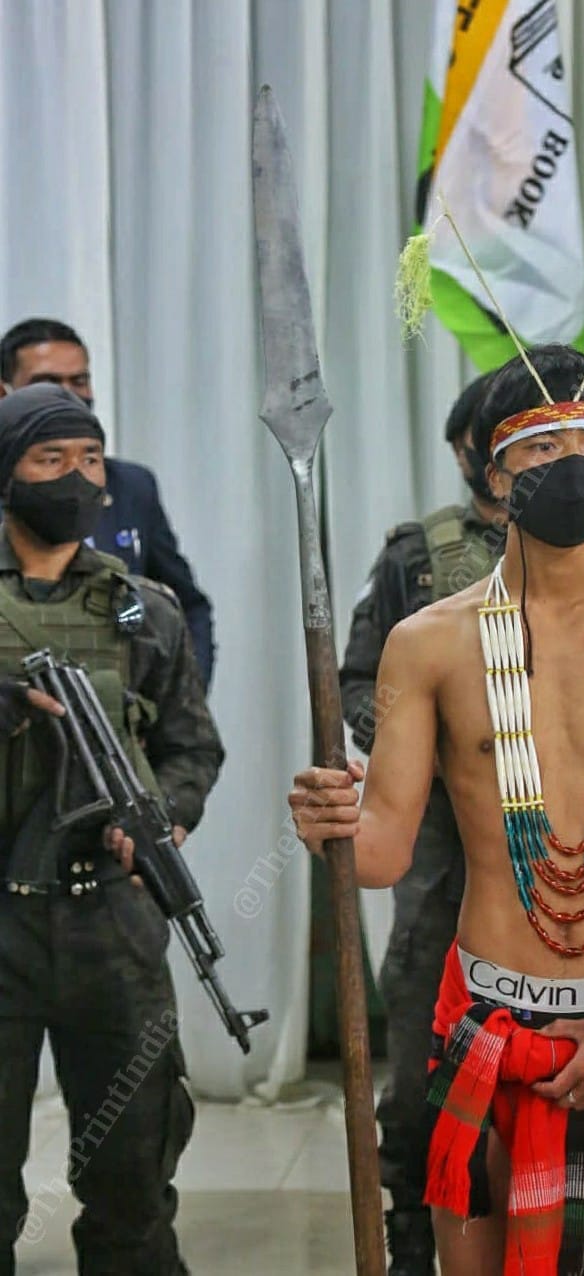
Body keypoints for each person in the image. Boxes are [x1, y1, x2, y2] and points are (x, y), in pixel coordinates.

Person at [292, 345, 584, 1276]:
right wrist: (328, 822)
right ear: (494, 474)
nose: (569, 457)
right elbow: (378, 857)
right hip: (490, 1020)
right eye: (540, 443)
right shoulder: (430, 644)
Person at [0, 384, 223, 1274]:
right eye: (51, 460)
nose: (78, 478)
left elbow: (189, 744)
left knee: (132, 1178)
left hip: (111, 926)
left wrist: (164, 817)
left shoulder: (135, 606)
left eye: (91, 459)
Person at [0, 318, 215, 688]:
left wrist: (178, 700)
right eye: (49, 382)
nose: (71, 395)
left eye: (79, 381)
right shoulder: (17, 490)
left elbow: (184, 604)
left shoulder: (130, 486)